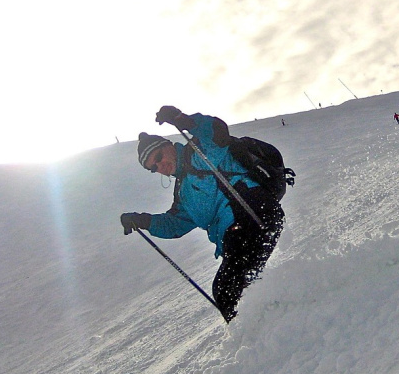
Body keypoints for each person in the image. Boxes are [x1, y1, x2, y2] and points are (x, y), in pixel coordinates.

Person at [120, 106, 284, 323]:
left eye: (158, 157)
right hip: (235, 236)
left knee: (227, 290)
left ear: (168, 145)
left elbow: (217, 132)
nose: (160, 166)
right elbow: (175, 224)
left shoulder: (199, 153)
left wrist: (182, 120)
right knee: (240, 289)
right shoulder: (184, 192)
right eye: (153, 167)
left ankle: (268, 328)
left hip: (252, 214)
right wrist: (143, 221)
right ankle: (286, 314)